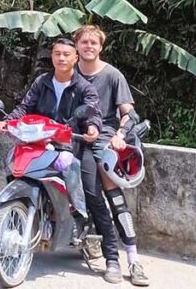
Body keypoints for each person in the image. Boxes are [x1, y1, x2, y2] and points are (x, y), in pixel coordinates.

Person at [0, 38, 122, 284]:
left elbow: (92, 111)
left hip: (72, 145)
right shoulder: (42, 82)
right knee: (15, 168)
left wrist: (93, 128)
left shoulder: (84, 87)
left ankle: (112, 258)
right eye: (57, 54)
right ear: (51, 57)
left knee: (93, 194)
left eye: (66, 54)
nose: (61, 58)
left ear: (75, 58)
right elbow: (25, 106)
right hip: (38, 143)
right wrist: (7, 120)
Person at [75, 25, 149, 286]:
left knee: (109, 196)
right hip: (72, 136)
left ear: (100, 47)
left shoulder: (112, 75)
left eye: (93, 43)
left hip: (104, 137)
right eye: (84, 42)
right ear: (76, 46)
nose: (88, 47)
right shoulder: (67, 73)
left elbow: (129, 113)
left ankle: (129, 259)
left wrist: (119, 132)